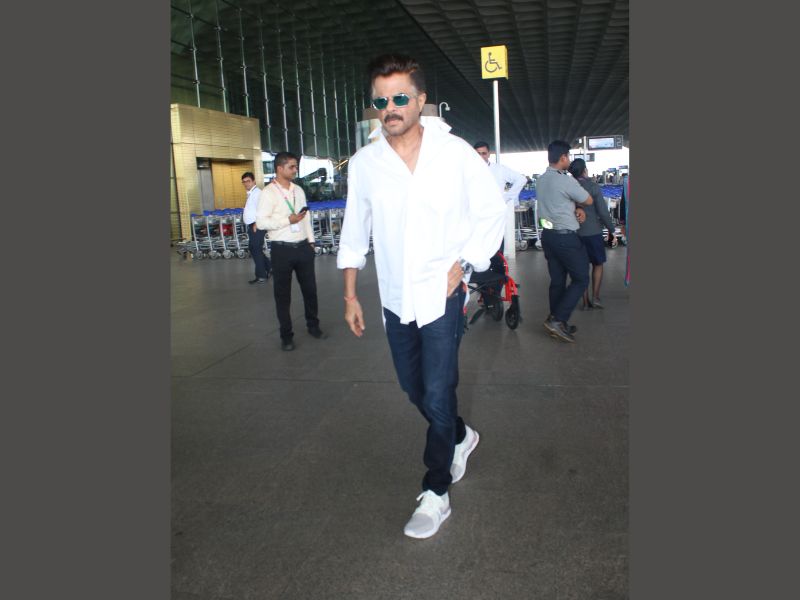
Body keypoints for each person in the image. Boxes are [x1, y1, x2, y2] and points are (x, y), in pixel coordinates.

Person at [336, 54, 506, 539]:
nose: (389, 108)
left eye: (399, 98)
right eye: (380, 101)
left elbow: (491, 210)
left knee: (437, 389)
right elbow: (354, 231)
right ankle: (460, 435)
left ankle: (436, 491)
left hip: (442, 293)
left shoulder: (454, 153)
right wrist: (350, 295)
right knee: (414, 388)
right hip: (394, 296)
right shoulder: (366, 164)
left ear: (421, 100)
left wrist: (466, 262)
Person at [256, 152, 325, 351]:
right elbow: (261, 223)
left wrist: (311, 242)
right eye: (291, 167)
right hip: (281, 250)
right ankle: (286, 336)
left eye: (296, 166)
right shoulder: (268, 193)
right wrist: (288, 220)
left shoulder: (298, 190)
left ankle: (313, 326)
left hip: (303, 247)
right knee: (283, 295)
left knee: (310, 290)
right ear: (279, 168)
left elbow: (305, 217)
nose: (295, 170)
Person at [536, 140, 594, 343]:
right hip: (566, 238)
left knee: (558, 281)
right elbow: (588, 199)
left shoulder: (541, 180)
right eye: (568, 156)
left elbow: (558, 201)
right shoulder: (566, 180)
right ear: (563, 158)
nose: (569, 160)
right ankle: (558, 319)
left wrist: (575, 207)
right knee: (581, 278)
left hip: (549, 236)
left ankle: (556, 320)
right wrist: (579, 205)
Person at [568, 158, 615, 310]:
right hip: (593, 232)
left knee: (581, 267)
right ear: (585, 170)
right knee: (597, 264)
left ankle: (585, 301)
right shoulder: (593, 187)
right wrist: (611, 229)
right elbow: (602, 211)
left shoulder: (568, 186)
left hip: (575, 233)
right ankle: (595, 298)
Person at [241, 172, 271, 284]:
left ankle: (261, 276)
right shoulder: (251, 193)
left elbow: (263, 209)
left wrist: (256, 223)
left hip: (257, 225)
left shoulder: (258, 193)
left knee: (256, 249)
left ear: (254, 181)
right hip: (253, 225)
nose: (246, 183)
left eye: (248, 181)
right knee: (254, 248)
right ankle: (270, 267)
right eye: (244, 182)